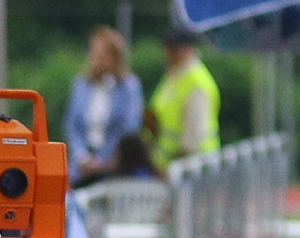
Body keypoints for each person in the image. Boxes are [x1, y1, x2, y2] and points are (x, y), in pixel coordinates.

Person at [66, 28, 142, 186]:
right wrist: (83, 157)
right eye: (92, 53)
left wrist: (101, 161)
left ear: (115, 57)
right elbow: (71, 124)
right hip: (80, 168)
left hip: (114, 168)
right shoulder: (81, 84)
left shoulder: (129, 86)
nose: (94, 59)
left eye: (101, 54)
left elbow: (129, 127)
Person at [146, 31, 220, 172]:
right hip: (169, 165)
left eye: (173, 48)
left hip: (192, 166)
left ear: (186, 49)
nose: (167, 53)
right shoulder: (174, 76)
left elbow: (193, 135)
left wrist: (173, 167)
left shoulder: (196, 81)